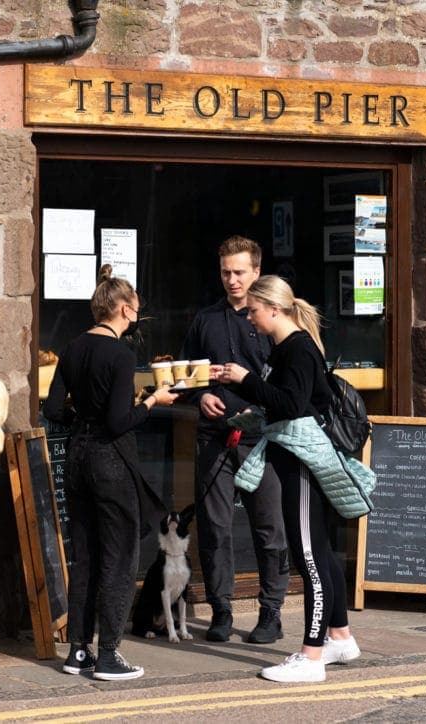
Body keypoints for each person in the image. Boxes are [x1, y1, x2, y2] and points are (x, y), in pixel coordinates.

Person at [212, 275, 361, 683]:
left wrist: (246, 380)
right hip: (294, 458)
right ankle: (339, 636)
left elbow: (292, 405)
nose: (250, 320)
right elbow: (279, 403)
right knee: (323, 553)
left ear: (274, 309)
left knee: (308, 556)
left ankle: (311, 657)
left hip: (302, 462)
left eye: (255, 312)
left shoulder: (296, 348)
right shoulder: (288, 347)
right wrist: (244, 392)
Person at [42, 265, 179, 681]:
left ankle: (78, 652)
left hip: (77, 457)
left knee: (85, 558)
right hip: (110, 460)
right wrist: (153, 400)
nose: (139, 313)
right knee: (119, 560)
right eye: (136, 306)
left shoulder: (72, 347)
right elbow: (121, 422)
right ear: (122, 309)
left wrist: (82, 414)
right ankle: (109, 655)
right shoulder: (121, 354)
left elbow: (51, 410)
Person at [180, 236, 288, 644]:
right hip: (214, 435)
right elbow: (186, 373)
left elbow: (290, 380)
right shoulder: (205, 320)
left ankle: (271, 612)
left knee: (268, 526)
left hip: (263, 437)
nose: (232, 280)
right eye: (226, 272)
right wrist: (199, 394)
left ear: (257, 272)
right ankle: (220, 611)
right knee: (215, 527)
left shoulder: (272, 319)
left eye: (240, 272)